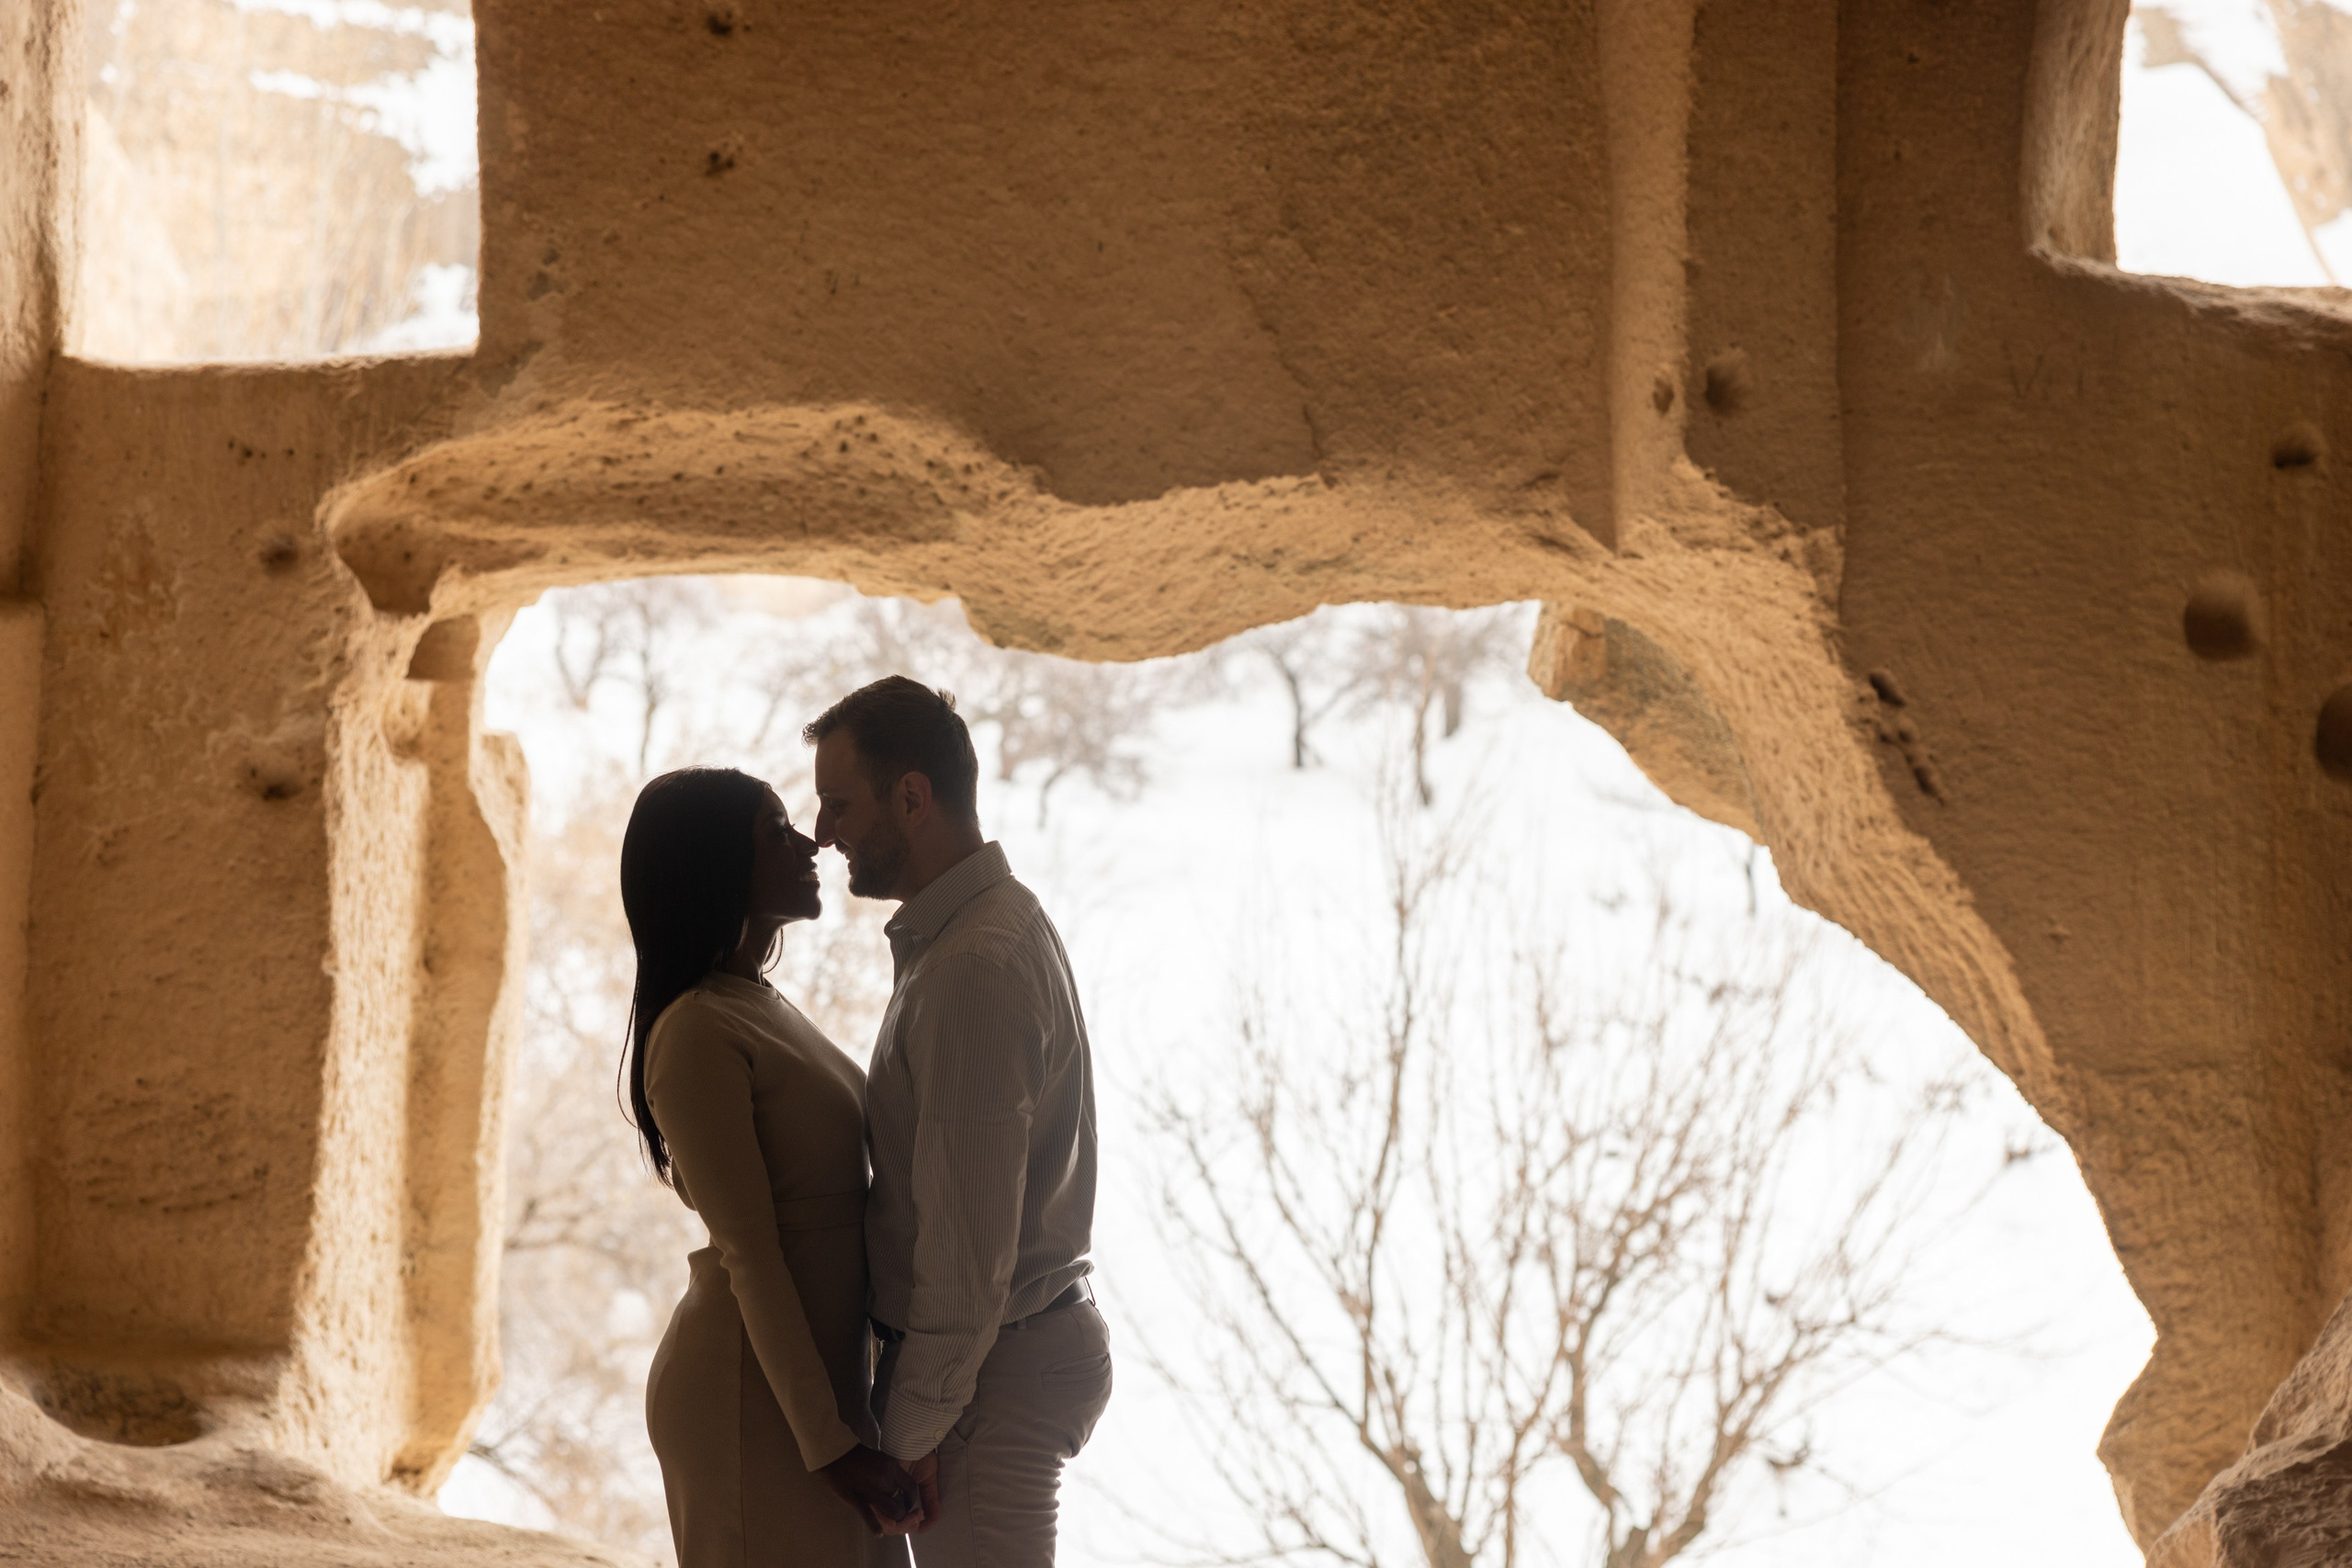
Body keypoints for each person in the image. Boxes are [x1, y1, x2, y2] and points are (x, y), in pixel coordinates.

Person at [805, 677, 1113, 1568]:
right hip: (999, 1360)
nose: (823, 833)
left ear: (912, 798)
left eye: (837, 804)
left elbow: (967, 1251)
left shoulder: (972, 967)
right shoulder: (979, 928)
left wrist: (914, 1430)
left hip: (991, 1377)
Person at [621, 765, 917, 1567]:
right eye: (774, 829)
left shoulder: (756, 1002)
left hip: (816, 1393)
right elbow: (752, 1251)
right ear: (714, 864)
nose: (809, 841)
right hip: (750, 1402)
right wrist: (829, 1445)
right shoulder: (694, 1032)